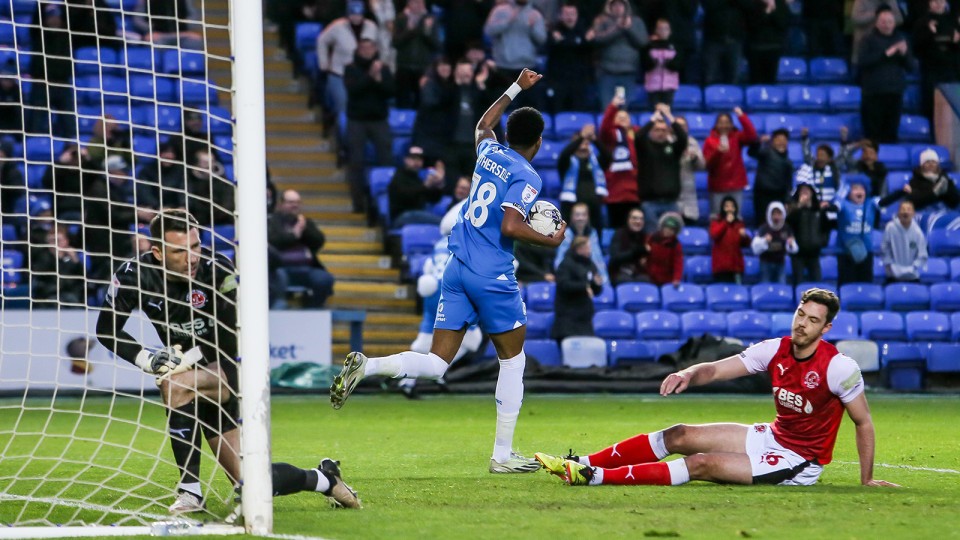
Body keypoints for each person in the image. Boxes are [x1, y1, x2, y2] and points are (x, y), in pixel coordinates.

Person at [330, 69, 568, 474]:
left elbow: (483, 123)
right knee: (513, 362)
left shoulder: (489, 152)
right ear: (539, 143)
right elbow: (511, 226)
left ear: (509, 135)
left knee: (438, 362)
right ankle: (502, 455)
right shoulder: (528, 176)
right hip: (491, 273)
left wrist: (514, 87)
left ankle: (367, 366)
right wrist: (553, 239)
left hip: (456, 268)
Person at [95, 210, 360, 513]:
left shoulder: (217, 271)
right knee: (252, 482)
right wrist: (148, 358)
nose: (192, 257)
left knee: (174, 384)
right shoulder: (133, 275)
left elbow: (232, 337)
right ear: (157, 252)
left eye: (195, 246)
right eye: (180, 250)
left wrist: (188, 359)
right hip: (194, 376)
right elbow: (106, 329)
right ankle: (325, 478)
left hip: (228, 368)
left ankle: (190, 492)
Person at [535, 289, 899, 490]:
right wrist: (690, 373)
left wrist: (866, 480)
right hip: (772, 435)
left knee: (701, 465)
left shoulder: (839, 368)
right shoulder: (776, 348)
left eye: (813, 320)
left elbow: (863, 422)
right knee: (678, 434)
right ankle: (583, 461)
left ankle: (593, 478)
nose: (802, 323)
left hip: (799, 461)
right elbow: (718, 368)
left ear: (826, 328)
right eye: (801, 314)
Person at [400, 238, 483, 399]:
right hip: (452, 292)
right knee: (473, 339)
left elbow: (427, 267)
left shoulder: (439, 243)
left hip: (431, 291)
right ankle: (438, 368)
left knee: (422, 343)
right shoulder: (468, 241)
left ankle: (407, 382)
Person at [344, 38, 395, 215]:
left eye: (370, 48)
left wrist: (379, 79)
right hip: (357, 120)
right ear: (358, 50)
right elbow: (353, 90)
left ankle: (385, 204)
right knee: (356, 162)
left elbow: (390, 91)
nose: (367, 51)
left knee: (386, 159)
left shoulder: (384, 68)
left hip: (379, 120)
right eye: (364, 48)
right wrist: (370, 76)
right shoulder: (351, 68)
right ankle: (358, 203)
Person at [267, 189, 336, 308]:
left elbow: (318, 241)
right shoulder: (272, 221)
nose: (295, 205)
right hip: (280, 268)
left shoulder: (305, 222)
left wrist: (304, 229)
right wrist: (294, 235)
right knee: (277, 280)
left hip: (305, 268)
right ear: (281, 204)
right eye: (291, 202)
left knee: (324, 279)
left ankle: (313, 309)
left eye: (297, 202)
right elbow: (273, 241)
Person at [858, 6, 914, 144]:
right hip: (873, 93)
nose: (887, 25)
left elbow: (911, 67)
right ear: (876, 22)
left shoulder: (901, 39)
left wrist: (904, 54)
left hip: (895, 92)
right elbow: (863, 62)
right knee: (873, 135)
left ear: (894, 22)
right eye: (883, 21)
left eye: (890, 21)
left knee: (891, 133)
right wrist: (885, 54)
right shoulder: (867, 39)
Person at [316, 1, 379, 123]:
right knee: (343, 109)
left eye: (359, 14)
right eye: (353, 14)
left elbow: (378, 46)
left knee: (362, 109)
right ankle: (341, 136)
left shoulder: (371, 26)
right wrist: (323, 63)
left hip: (363, 75)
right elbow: (322, 41)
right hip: (339, 74)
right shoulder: (337, 26)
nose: (356, 17)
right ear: (348, 14)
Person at [483, 0, 547, 109]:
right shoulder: (500, 11)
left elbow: (542, 39)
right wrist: (507, 21)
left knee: (526, 108)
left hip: (527, 67)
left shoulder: (534, 14)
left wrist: (533, 28)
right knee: (502, 108)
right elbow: (488, 31)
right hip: (503, 67)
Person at [636, 103, 687, 233]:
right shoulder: (645, 147)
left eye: (663, 130)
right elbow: (639, 136)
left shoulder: (673, 148)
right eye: (657, 130)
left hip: (671, 202)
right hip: (650, 203)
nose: (660, 133)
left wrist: (669, 116)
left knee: (672, 239)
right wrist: (655, 117)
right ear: (651, 131)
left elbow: (682, 138)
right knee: (652, 238)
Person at [590, 0, 648, 107]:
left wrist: (628, 29)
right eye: (615, 5)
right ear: (610, 7)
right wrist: (617, 28)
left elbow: (643, 42)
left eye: (620, 5)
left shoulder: (636, 21)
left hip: (628, 73)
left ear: (626, 7)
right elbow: (597, 39)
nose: (618, 7)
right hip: (607, 73)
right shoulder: (602, 21)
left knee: (624, 110)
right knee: (608, 109)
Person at [703, 108, 758, 216]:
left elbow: (752, 136)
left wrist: (742, 116)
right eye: (721, 123)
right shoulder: (709, 141)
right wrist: (717, 152)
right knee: (717, 218)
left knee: (736, 218)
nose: (724, 126)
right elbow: (707, 164)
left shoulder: (737, 137)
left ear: (732, 124)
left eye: (727, 123)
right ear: (716, 125)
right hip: (717, 187)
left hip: (736, 185)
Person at [598, 93, 641, 229]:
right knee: (617, 232)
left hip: (635, 192)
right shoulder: (611, 137)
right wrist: (613, 106)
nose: (622, 119)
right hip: (615, 193)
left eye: (625, 117)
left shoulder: (638, 136)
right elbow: (604, 129)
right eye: (619, 117)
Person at [913, 0, 960, 121]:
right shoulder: (922, 23)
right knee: (932, 111)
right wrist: (930, 33)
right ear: (929, 3)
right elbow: (917, 48)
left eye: (941, 1)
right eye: (935, 1)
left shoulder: (953, 22)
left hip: (951, 72)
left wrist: (954, 42)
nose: (938, 4)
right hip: (931, 72)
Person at [558, 123, 609, 232]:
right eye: (580, 144)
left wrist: (594, 139)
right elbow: (564, 154)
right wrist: (581, 137)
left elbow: (608, 156)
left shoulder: (596, 162)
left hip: (593, 210)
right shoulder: (566, 162)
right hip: (570, 208)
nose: (583, 146)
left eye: (586, 143)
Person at [552, 236, 604, 342]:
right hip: (568, 319)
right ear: (579, 248)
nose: (590, 250)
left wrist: (597, 284)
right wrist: (584, 286)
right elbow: (564, 285)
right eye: (588, 247)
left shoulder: (590, 264)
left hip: (585, 319)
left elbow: (595, 290)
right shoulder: (566, 264)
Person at [545, 2, 594, 114]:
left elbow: (590, 48)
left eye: (572, 14)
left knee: (579, 113)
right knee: (557, 113)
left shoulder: (584, 30)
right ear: (560, 16)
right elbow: (549, 46)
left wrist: (564, 42)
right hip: (558, 81)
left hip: (579, 82)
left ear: (577, 15)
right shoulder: (554, 31)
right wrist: (580, 42)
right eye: (566, 14)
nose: (569, 17)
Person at [393, 0, 441, 109]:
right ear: (408, 4)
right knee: (402, 101)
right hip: (404, 66)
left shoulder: (430, 19)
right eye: (414, 2)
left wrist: (426, 31)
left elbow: (436, 45)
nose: (418, 5)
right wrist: (409, 31)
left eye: (420, 2)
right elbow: (395, 43)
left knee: (422, 102)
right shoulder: (401, 19)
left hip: (423, 67)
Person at [833, 178, 879, 285]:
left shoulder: (870, 203)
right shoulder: (843, 204)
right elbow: (834, 208)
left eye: (862, 189)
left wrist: (901, 193)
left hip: (866, 252)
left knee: (866, 285)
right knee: (846, 285)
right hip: (845, 253)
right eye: (855, 188)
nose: (859, 191)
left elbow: (885, 202)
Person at [388, 146, 446, 226]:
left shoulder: (418, 178)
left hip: (417, 214)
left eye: (419, 159)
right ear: (406, 160)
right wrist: (425, 186)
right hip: (402, 216)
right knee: (442, 223)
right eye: (413, 158)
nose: (416, 162)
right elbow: (406, 196)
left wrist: (439, 186)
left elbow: (433, 200)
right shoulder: (398, 177)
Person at [553, 202, 609, 285]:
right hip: (570, 274)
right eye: (577, 215)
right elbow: (560, 260)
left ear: (588, 217)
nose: (580, 218)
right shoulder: (566, 234)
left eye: (584, 215)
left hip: (588, 272)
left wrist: (604, 279)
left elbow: (597, 257)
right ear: (572, 217)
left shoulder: (592, 233)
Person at [786, 183, 832, 285]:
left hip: (814, 253)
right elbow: (788, 224)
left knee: (818, 285)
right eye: (802, 190)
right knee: (799, 284)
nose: (804, 192)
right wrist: (799, 206)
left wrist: (822, 241)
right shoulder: (794, 210)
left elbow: (827, 227)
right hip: (798, 255)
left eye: (807, 190)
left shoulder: (819, 211)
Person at [30, 223, 86, 306]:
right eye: (52, 241)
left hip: (71, 294)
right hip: (49, 294)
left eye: (58, 241)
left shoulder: (74, 258)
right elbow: (40, 276)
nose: (55, 244)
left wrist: (75, 260)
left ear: (66, 241)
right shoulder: (43, 257)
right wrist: (56, 258)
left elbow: (83, 279)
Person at [750, 129, 795, 228]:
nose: (781, 143)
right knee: (762, 225)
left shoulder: (788, 162)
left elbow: (789, 184)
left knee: (778, 225)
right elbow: (751, 152)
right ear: (772, 141)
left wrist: (788, 200)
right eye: (778, 140)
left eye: (784, 140)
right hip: (762, 197)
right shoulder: (765, 153)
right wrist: (758, 141)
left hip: (780, 197)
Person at [892, 149, 960, 211]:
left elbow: (955, 201)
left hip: (946, 211)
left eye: (933, 161)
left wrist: (947, 191)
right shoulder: (915, 180)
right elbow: (913, 200)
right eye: (927, 162)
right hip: (924, 213)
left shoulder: (945, 178)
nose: (931, 164)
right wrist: (934, 193)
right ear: (922, 165)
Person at [700, 0, 748, 85]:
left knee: (734, 78)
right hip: (713, 40)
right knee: (709, 78)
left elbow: (748, 6)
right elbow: (708, 5)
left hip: (735, 40)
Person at [752, 202, 798, 284]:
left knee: (782, 287)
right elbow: (754, 248)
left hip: (780, 263)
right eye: (774, 214)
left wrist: (791, 244)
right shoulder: (764, 228)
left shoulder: (786, 228)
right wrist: (764, 240)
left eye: (779, 214)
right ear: (770, 215)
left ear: (783, 215)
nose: (776, 217)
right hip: (766, 263)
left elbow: (794, 249)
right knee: (765, 287)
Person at [744, 0, 789, 84]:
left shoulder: (780, 4)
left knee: (771, 81)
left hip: (774, 47)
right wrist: (767, 11)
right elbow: (753, 26)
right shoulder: (752, 4)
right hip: (756, 48)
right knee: (755, 82)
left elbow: (782, 24)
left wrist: (774, 10)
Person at [882, 200, 928, 283]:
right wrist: (890, 266)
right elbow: (885, 249)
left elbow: (922, 254)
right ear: (898, 213)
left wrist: (914, 267)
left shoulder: (918, 232)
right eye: (903, 209)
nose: (905, 212)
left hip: (912, 275)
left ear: (913, 213)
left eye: (909, 209)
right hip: (893, 275)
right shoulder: (890, 228)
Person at [710, 196, 751, 284]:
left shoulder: (739, 224)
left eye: (732, 206)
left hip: (736, 268)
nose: (729, 209)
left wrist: (745, 237)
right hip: (720, 268)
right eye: (727, 206)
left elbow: (746, 244)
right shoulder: (716, 222)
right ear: (722, 208)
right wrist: (726, 222)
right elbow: (714, 235)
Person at [642, 18, 682, 107]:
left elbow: (677, 66)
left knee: (667, 113)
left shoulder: (675, 46)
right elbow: (646, 65)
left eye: (665, 29)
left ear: (670, 31)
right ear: (656, 30)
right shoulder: (649, 46)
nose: (663, 31)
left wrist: (667, 62)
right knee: (655, 114)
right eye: (660, 28)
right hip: (653, 85)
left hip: (669, 85)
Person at [851, 0, 904, 66]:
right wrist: (875, 14)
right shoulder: (861, 1)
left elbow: (900, 19)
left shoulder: (891, 1)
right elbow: (856, 19)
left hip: (887, 45)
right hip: (865, 45)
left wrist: (887, 18)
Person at [796, 127, 840, 203]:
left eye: (822, 155)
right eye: (818, 155)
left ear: (829, 158)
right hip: (815, 208)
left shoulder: (834, 171)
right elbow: (807, 155)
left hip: (830, 207)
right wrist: (804, 138)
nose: (819, 158)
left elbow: (839, 191)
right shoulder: (811, 170)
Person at [675, 116, 705, 224]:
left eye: (683, 125)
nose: (680, 128)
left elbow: (702, 166)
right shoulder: (666, 141)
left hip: (688, 194)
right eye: (677, 125)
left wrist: (694, 159)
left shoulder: (692, 143)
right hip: (671, 194)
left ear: (687, 128)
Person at [608, 207, 649, 285]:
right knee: (625, 281)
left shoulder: (645, 237)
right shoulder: (619, 234)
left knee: (646, 281)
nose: (638, 221)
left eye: (641, 219)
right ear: (628, 220)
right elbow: (615, 257)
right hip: (620, 271)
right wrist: (636, 252)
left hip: (639, 272)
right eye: (634, 218)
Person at [646, 212, 684, 287]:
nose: (668, 231)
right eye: (666, 227)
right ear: (662, 227)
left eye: (671, 229)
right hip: (650, 275)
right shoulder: (653, 238)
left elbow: (678, 263)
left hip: (666, 279)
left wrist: (676, 279)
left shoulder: (676, 245)